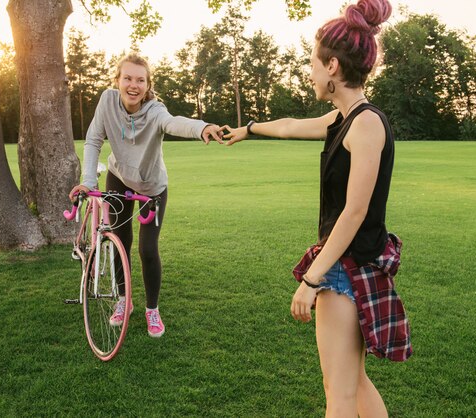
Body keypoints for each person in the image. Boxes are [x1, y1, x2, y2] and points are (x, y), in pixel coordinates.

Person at [224, 0, 404, 416]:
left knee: (338, 392)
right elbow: (289, 126)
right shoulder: (344, 118)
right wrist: (248, 129)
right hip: (348, 263)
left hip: (346, 268)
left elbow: (354, 212)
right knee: (353, 383)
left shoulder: (366, 124)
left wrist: (312, 277)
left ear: (333, 68)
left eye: (312, 62)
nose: (309, 71)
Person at [69, 53, 224, 338]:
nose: (133, 85)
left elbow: (174, 123)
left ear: (148, 84)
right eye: (127, 78)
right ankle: (123, 301)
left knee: (148, 249)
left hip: (151, 186)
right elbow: (93, 139)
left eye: (140, 80)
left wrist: (202, 127)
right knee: (119, 242)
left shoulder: (154, 111)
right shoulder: (106, 102)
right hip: (118, 177)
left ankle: (152, 309)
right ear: (117, 80)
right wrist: (89, 181)